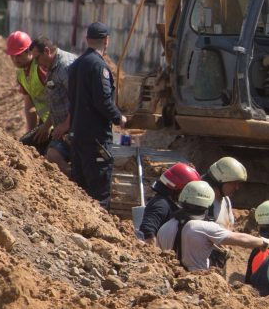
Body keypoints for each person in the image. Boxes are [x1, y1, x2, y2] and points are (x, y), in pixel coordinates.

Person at [67, 21, 126, 206]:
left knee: (80, 191)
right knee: (98, 193)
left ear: (87, 39)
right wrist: (119, 118)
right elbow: (103, 101)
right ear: (106, 40)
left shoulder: (76, 65)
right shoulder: (99, 67)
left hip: (77, 136)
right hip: (96, 139)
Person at [156, 181, 269, 272]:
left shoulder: (164, 228)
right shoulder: (204, 227)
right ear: (208, 203)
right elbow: (241, 239)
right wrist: (266, 242)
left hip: (173, 284)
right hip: (199, 284)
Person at [28, 36, 76, 174]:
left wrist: (66, 124)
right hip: (63, 129)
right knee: (52, 155)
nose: (36, 63)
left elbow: (78, 100)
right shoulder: (51, 66)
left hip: (76, 128)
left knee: (55, 157)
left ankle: (78, 185)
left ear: (47, 51)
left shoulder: (65, 67)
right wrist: (47, 125)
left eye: (37, 58)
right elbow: (57, 101)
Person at [6, 31, 51, 155]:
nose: (15, 59)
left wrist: (47, 127)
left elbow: (60, 99)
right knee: (25, 147)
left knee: (52, 155)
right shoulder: (21, 73)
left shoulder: (40, 68)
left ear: (29, 52)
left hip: (58, 122)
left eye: (19, 55)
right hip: (45, 123)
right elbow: (29, 106)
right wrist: (31, 133)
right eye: (12, 56)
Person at [137, 162, 201, 243]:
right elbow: (147, 232)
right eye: (187, 191)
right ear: (177, 187)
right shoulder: (161, 204)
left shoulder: (167, 202)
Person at [203, 156, 248, 229]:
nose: (237, 187)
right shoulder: (203, 202)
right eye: (233, 183)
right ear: (220, 181)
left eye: (238, 183)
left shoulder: (226, 200)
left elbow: (230, 228)